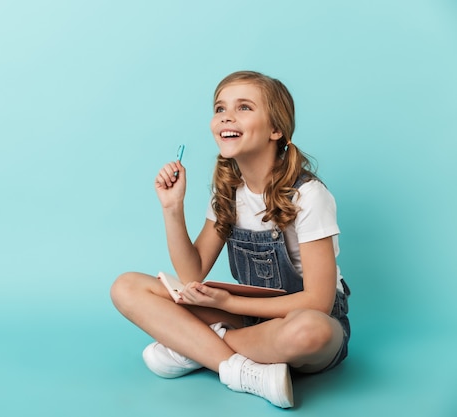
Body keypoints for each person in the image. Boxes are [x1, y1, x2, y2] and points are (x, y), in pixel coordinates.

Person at [110, 71, 350, 409]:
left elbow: (317, 304)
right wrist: (172, 208)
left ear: (276, 130)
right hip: (250, 321)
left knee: (310, 331)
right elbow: (192, 274)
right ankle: (238, 368)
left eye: (244, 107)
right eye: (220, 108)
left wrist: (226, 305)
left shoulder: (308, 196)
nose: (226, 116)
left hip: (300, 319)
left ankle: (196, 347)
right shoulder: (229, 193)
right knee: (127, 286)